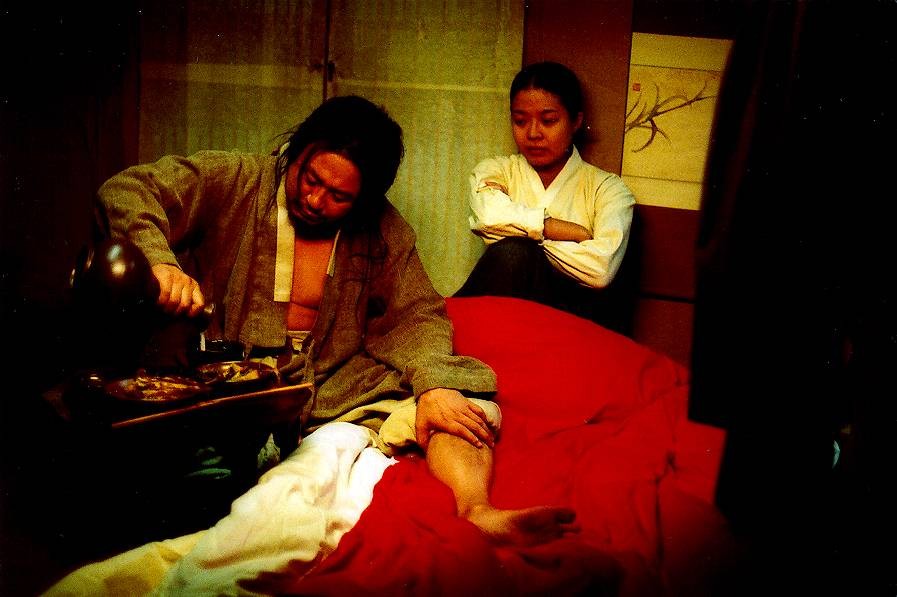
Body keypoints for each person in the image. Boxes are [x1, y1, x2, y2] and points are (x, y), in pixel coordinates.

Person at [94, 94, 577, 546]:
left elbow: (417, 313)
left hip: (331, 382)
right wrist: (159, 261)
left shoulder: (382, 229)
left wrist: (433, 385)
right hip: (230, 381)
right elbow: (127, 189)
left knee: (459, 397)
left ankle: (477, 510)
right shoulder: (234, 179)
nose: (315, 200)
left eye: (338, 196)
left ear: (364, 199)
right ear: (297, 151)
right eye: (310, 179)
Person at [456, 61, 636, 331]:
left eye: (548, 121)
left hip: (571, 328)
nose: (532, 133)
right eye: (520, 121)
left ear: (576, 121)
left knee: (514, 253)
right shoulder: (496, 171)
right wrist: (558, 229)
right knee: (511, 257)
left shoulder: (608, 189)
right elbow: (487, 216)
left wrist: (520, 237)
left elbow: (600, 268)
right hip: (503, 320)